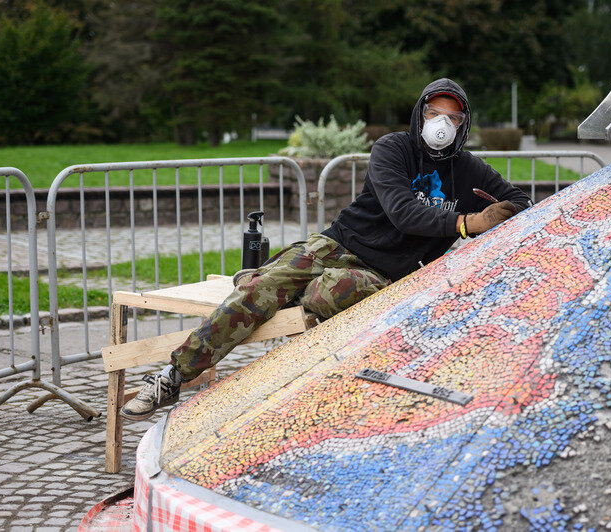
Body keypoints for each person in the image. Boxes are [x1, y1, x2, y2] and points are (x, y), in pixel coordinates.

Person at [120, 78, 532, 421]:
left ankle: (276, 278)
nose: (441, 124)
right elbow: (403, 212)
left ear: (463, 125)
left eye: (453, 117)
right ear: (419, 115)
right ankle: (173, 376)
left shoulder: (470, 170)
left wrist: (503, 213)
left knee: (323, 294)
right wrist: (467, 223)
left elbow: (523, 204)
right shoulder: (393, 149)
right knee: (256, 295)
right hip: (340, 242)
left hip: (387, 273)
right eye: (433, 113)